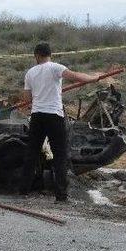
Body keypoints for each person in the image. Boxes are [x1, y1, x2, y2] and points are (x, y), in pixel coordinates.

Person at [18, 42, 100, 202]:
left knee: (32, 154)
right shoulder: (56, 67)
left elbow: (27, 99)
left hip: (37, 116)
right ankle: (61, 196)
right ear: (50, 55)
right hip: (54, 116)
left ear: (36, 55)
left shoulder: (30, 72)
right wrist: (94, 78)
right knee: (60, 155)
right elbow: (76, 76)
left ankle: (23, 191)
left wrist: (38, 95)